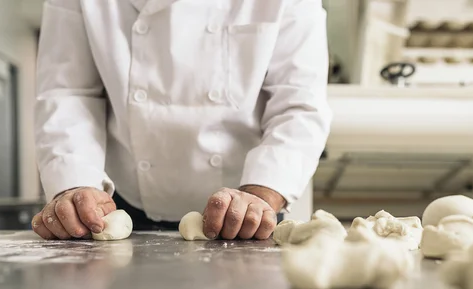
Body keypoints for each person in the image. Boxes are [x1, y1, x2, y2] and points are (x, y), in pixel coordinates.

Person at [32, 0, 331, 241]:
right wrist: (73, 186)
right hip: (117, 207)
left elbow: (298, 104)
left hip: (250, 206)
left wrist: (263, 192)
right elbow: (69, 92)